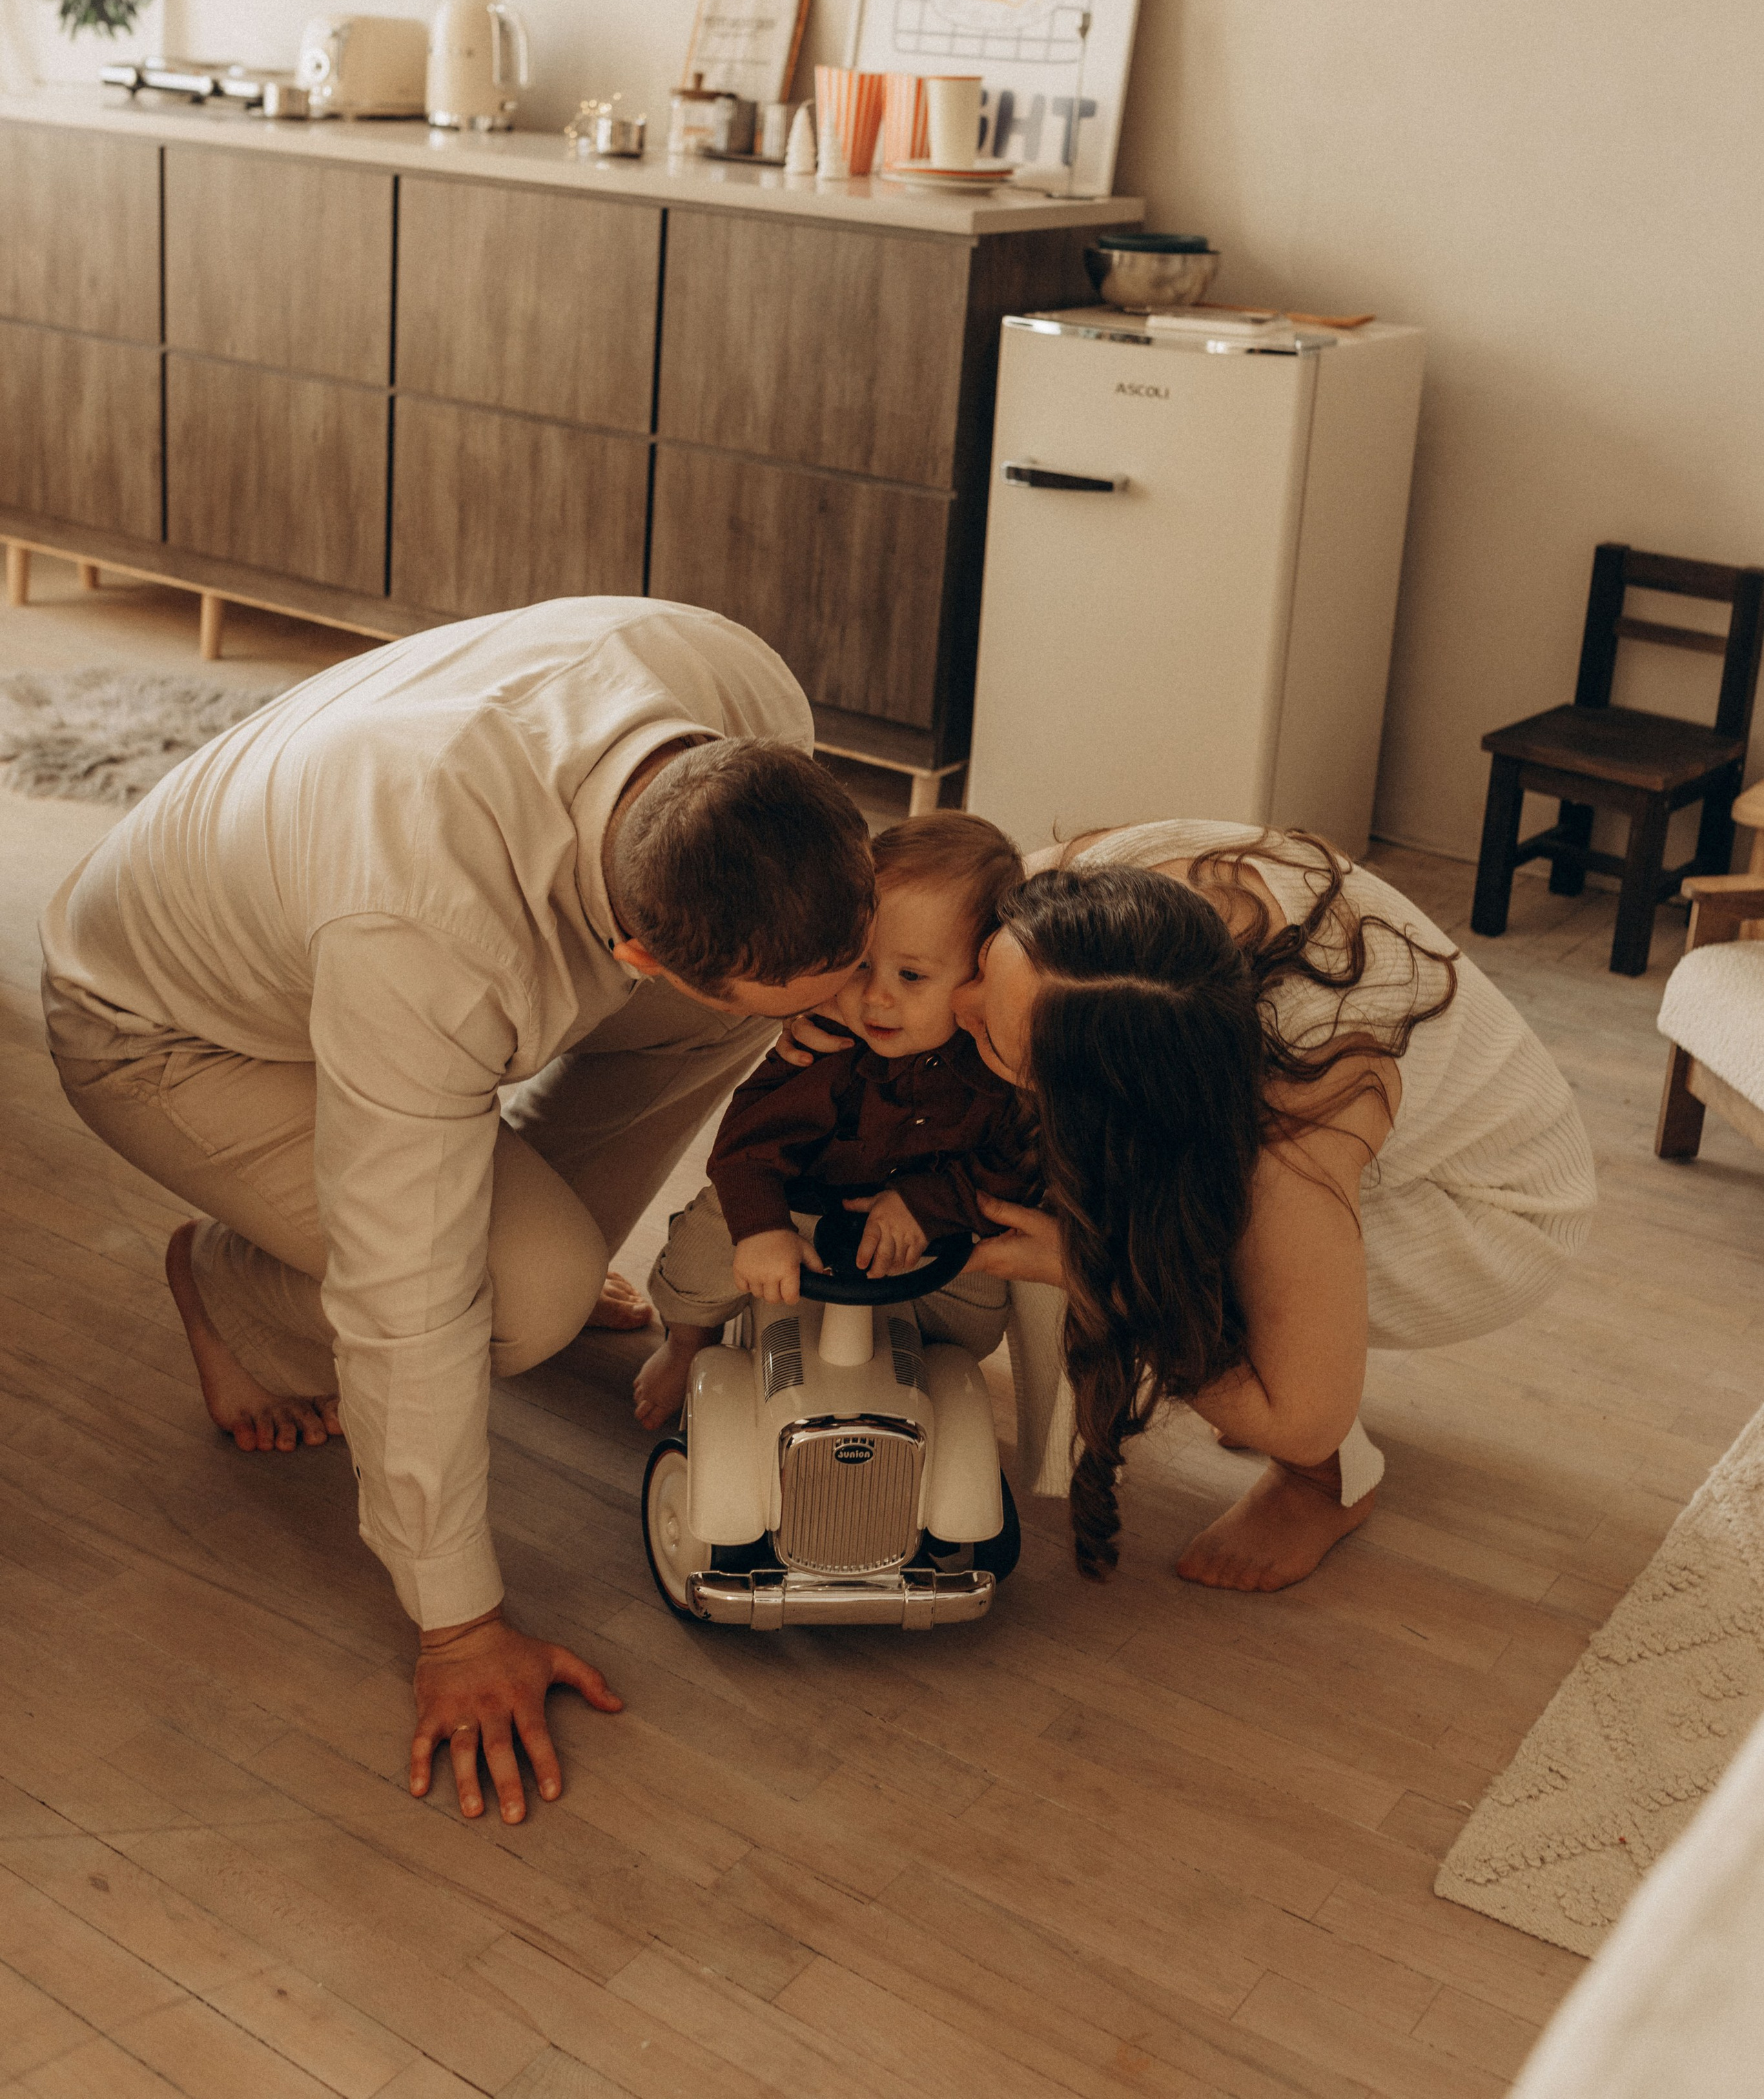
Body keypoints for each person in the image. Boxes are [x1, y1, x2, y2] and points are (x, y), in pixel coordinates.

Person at [39, 597, 875, 1824]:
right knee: (512, 1309)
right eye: (826, 988)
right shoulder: (421, 930)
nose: (851, 1009)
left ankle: (532, 1220)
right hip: (170, 1033)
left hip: (329, 925)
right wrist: (459, 1628)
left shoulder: (739, 684)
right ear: (637, 952)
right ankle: (229, 1289)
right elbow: (405, 1290)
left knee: (730, 1026)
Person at [935, 820, 1597, 1590]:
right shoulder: (1091, 886)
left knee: (1196, 1256)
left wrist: (1089, 1273)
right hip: (1379, 1133)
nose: (959, 1001)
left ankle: (1325, 1487)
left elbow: (1304, 1411)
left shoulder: (1302, 1097)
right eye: (987, 963)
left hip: (1495, 1209)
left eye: (993, 1038)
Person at [634, 811, 1032, 1428]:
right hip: (797, 1199)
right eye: (861, 965)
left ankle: (911, 1364)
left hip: (934, 1224)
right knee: (705, 1248)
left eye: (912, 976)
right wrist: (762, 1227)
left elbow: (1017, 1164)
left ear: (979, 978)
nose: (875, 997)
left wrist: (929, 1206)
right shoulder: (826, 1040)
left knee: (974, 1324)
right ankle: (685, 1344)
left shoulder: (996, 1060)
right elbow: (746, 1144)